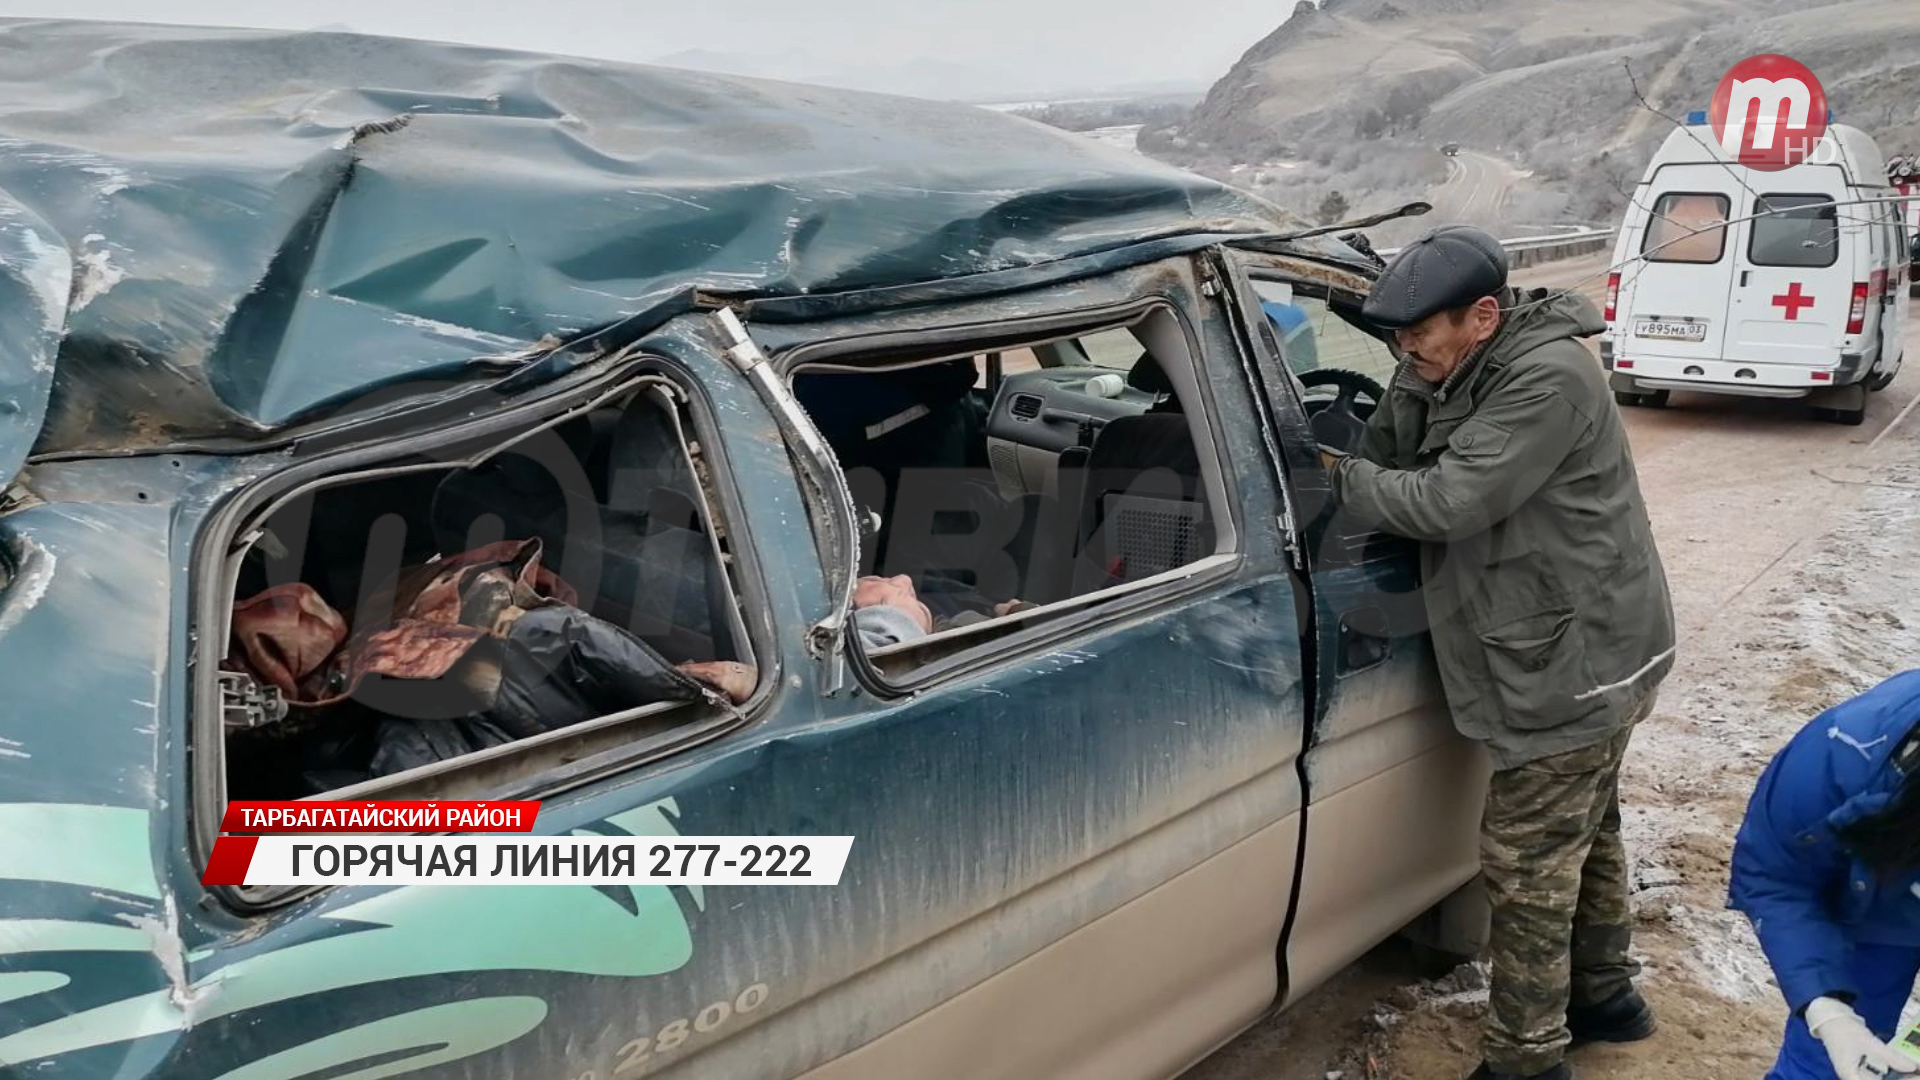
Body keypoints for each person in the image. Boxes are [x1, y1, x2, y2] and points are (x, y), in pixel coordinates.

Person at [1319, 225, 1678, 1080]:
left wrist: (1336, 476)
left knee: (1525, 868)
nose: (1407, 353)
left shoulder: (1548, 375)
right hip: (1582, 641)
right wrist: (1409, 375)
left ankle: (1527, 1058)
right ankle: (1605, 998)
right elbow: (1397, 450)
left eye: (1419, 337)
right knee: (1586, 834)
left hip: (1577, 658)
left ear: (1483, 315)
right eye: (1397, 341)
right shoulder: (1461, 362)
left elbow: (1447, 500)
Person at [1731, 670, 1920, 1080]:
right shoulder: (1837, 760)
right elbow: (1775, 878)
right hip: (1882, 894)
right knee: (1828, 1065)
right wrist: (1827, 1009)